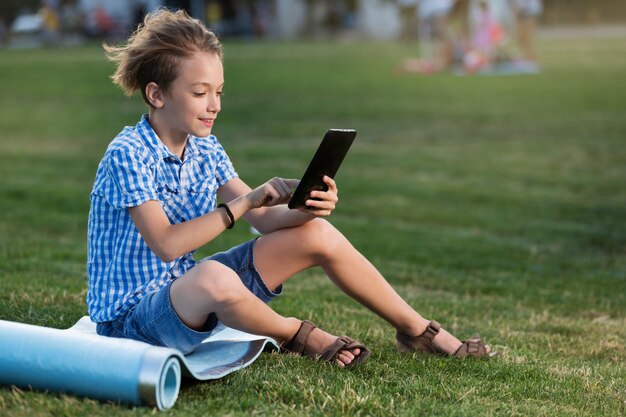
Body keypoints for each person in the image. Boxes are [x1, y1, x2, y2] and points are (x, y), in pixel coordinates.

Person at [87, 8, 492, 368]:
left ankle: (417, 332)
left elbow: (263, 219)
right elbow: (168, 244)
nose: (215, 105)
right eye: (199, 93)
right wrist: (245, 201)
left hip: (184, 297)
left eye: (218, 92)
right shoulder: (128, 152)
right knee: (212, 276)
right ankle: (298, 335)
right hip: (131, 320)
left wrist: (305, 208)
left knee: (314, 234)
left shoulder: (204, 146)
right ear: (156, 94)